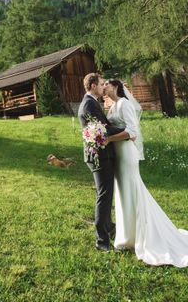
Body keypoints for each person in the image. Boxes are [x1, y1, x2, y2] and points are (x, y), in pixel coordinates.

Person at [104, 78, 188, 267]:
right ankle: (127, 237)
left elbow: (132, 132)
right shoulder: (113, 107)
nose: (104, 87)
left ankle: (145, 236)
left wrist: (109, 139)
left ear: (115, 86)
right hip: (118, 154)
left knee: (133, 191)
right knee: (124, 194)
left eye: (106, 84)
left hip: (127, 154)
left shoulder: (124, 104)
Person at [78, 73, 130, 251]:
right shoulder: (89, 104)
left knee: (107, 195)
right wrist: (127, 130)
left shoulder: (91, 102)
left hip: (102, 155)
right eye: (100, 84)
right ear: (93, 86)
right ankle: (102, 240)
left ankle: (110, 228)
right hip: (98, 156)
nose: (103, 87)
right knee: (104, 196)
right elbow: (104, 128)